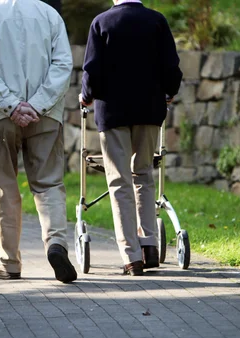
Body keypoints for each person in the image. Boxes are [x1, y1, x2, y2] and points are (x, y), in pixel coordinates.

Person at [0, 0, 77, 283]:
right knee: (49, 183)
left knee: (4, 184)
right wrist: (38, 105)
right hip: (46, 115)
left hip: (0, 116)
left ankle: (9, 263)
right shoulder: (50, 14)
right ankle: (56, 244)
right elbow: (62, 64)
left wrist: (12, 106)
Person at [80, 0, 182, 276]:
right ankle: (149, 244)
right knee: (144, 174)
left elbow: (92, 70)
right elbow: (171, 66)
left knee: (119, 181)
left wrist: (86, 96)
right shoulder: (157, 21)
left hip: (113, 112)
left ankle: (131, 257)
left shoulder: (101, 23)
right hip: (150, 110)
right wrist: (170, 90)